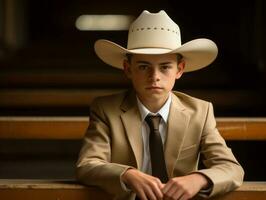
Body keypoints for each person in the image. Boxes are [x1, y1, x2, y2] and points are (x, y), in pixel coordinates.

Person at [76, 10, 244, 200]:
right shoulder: (106, 109)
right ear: (127, 69)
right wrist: (127, 174)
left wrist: (199, 178)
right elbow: (87, 164)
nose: (154, 76)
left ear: (179, 70)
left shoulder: (200, 111)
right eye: (143, 66)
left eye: (165, 67)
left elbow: (231, 168)